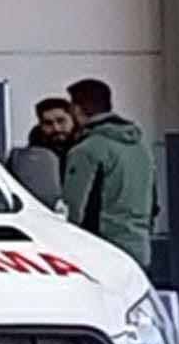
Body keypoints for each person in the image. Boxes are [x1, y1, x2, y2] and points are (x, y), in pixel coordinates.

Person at [61, 78, 157, 271]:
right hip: (139, 247)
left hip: (102, 251)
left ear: (77, 109)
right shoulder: (141, 145)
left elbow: (74, 209)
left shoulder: (86, 150)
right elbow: (153, 199)